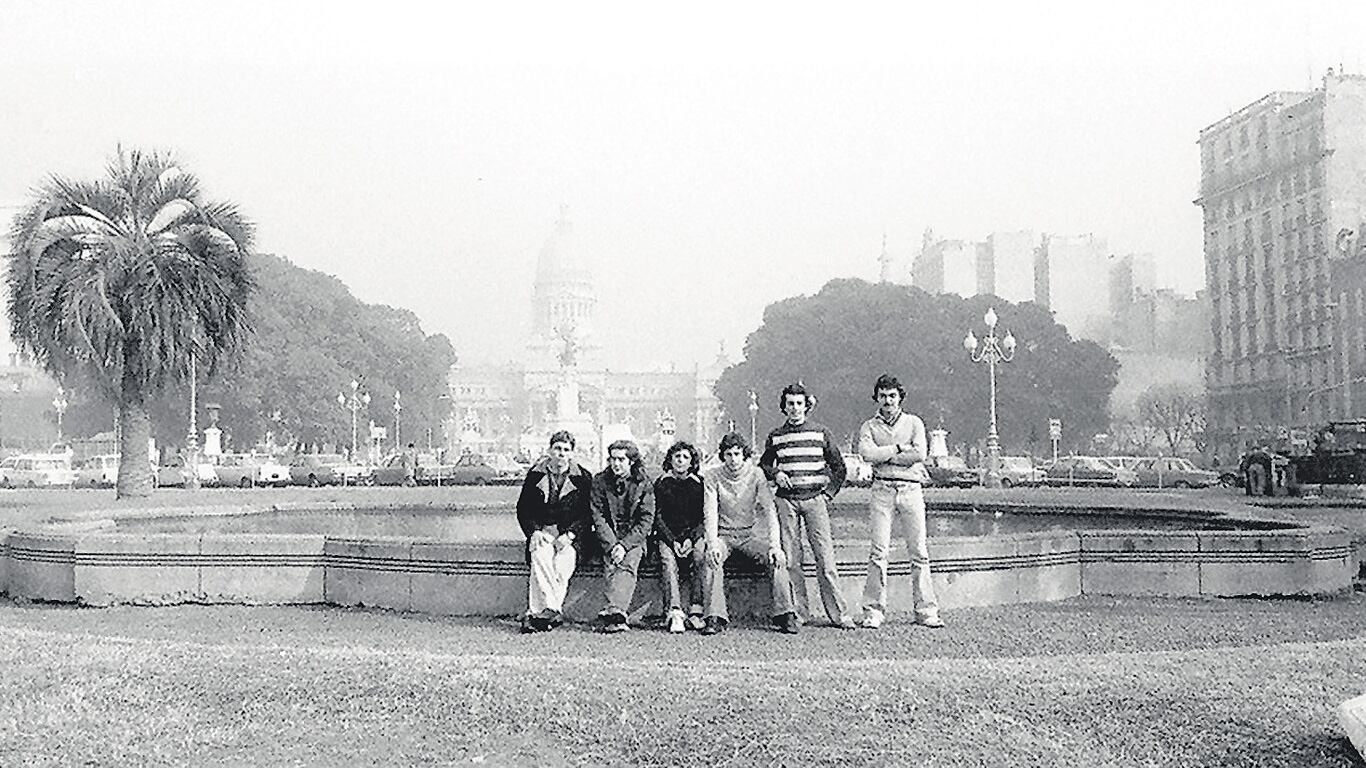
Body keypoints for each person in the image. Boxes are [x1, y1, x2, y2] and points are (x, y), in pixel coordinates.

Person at [758, 383, 855, 629]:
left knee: (825, 559)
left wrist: (828, 494)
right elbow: (764, 466)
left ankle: (839, 613)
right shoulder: (776, 435)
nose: (794, 408)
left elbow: (839, 468)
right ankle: (800, 612)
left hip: (815, 500)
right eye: (790, 403)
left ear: (806, 406)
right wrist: (776, 472)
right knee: (791, 560)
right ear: (784, 406)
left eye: (799, 403)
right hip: (786, 501)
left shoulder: (821, 433)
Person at [856, 374, 943, 629]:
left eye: (892, 396)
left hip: (911, 489)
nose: (888, 401)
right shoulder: (868, 426)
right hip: (882, 489)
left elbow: (920, 454)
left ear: (900, 398)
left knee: (919, 551)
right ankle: (873, 610)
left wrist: (885, 455)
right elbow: (866, 454)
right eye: (883, 396)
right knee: (878, 552)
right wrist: (896, 449)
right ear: (877, 398)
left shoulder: (914, 422)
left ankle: (926, 609)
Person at [700, 432, 798, 635]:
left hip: (749, 536)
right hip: (723, 536)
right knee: (711, 560)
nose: (733, 459)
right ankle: (715, 616)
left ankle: (785, 614)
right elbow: (710, 512)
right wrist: (712, 544)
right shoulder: (712, 476)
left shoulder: (756, 474)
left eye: (737, 454)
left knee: (778, 560)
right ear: (722, 456)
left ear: (745, 455)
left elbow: (770, 510)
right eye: (728, 454)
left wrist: (775, 546)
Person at [514, 430, 594, 633]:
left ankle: (535, 614)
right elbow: (524, 509)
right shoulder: (535, 475)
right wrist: (534, 532)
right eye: (557, 449)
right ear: (549, 450)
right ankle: (551, 610)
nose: (561, 454)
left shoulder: (583, 477)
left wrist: (571, 535)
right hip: (544, 531)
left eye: (566, 450)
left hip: (572, 537)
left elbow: (588, 513)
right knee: (540, 555)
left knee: (562, 563)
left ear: (572, 453)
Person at [590, 439, 656, 633]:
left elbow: (646, 520)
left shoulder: (644, 483)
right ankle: (616, 614)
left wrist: (624, 545)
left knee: (628, 563)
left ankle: (614, 610)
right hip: (608, 536)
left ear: (632, 462)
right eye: (612, 459)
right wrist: (612, 545)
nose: (615, 464)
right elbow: (598, 516)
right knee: (611, 562)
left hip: (634, 538)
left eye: (621, 459)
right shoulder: (600, 481)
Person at [653, 441, 706, 633]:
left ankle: (696, 608)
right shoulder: (661, 483)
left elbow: (702, 517)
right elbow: (657, 517)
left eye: (685, 457)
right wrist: (672, 541)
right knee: (667, 561)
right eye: (677, 457)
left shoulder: (699, 484)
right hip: (668, 535)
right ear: (670, 459)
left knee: (700, 555)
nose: (681, 461)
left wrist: (691, 539)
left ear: (692, 462)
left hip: (692, 535)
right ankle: (674, 610)